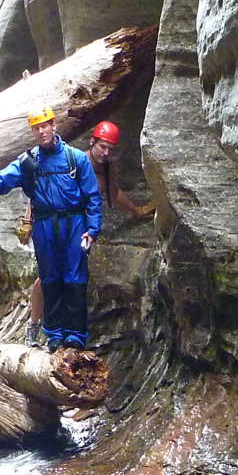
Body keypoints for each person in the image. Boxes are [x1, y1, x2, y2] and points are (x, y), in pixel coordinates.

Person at [0, 108, 103, 350]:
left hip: (74, 224)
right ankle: (54, 335)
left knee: (75, 278)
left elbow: (93, 197)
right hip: (44, 225)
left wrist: (93, 229)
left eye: (45, 126)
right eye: (36, 128)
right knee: (50, 278)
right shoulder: (28, 162)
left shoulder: (76, 159)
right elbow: (0, 181)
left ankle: (76, 336)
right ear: (33, 132)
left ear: (54, 125)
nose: (41, 131)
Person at [21, 120, 153, 343]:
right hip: (54, 225)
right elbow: (41, 192)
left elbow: (113, 192)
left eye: (110, 149)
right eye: (102, 147)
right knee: (47, 277)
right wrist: (27, 220)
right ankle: (34, 325)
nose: (105, 153)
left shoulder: (106, 169)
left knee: (70, 277)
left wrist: (137, 210)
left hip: (78, 230)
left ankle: (67, 333)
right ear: (92, 142)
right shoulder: (74, 161)